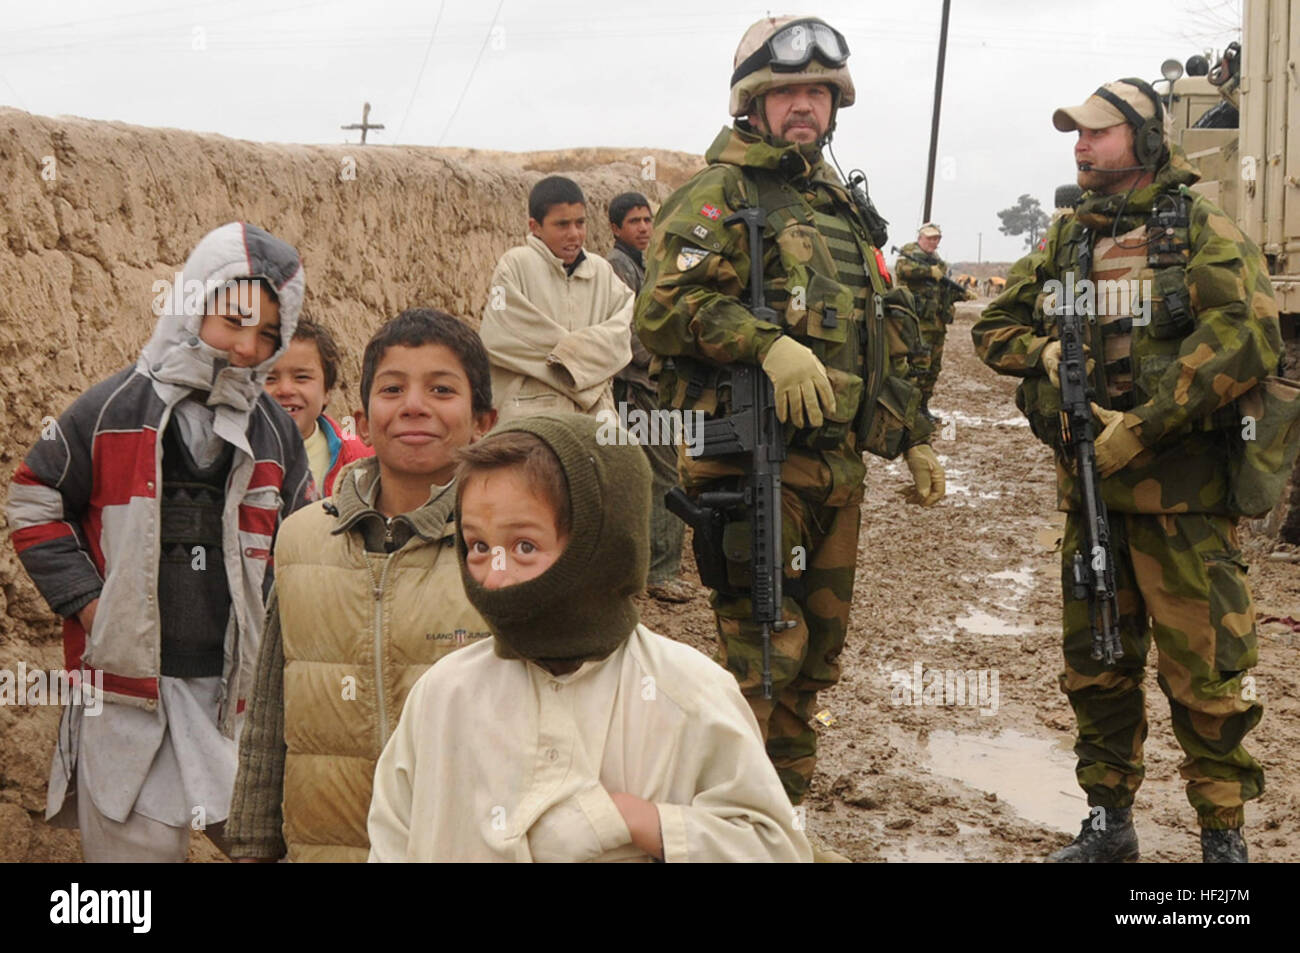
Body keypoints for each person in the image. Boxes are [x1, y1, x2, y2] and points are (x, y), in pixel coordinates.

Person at [634, 14, 943, 810]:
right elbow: (664, 308)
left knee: (814, 665)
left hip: (835, 469)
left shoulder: (837, 207)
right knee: (760, 659)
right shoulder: (722, 193)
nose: (804, 105)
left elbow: (881, 332)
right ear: (752, 104)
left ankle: (785, 821)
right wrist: (765, 343)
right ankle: (732, 828)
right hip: (755, 462)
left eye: (817, 92)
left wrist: (912, 437)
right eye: (787, 92)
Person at [972, 78, 1283, 863]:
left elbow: (1249, 336)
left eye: (1097, 133)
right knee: (1099, 671)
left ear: (1145, 142)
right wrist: (1041, 352)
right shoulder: (1067, 240)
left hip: (1185, 504)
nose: (1080, 146)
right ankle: (1110, 823)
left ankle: (1223, 839)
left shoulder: (1202, 231)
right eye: (1074, 134)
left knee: (1205, 678)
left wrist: (1143, 428)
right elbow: (995, 328)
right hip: (1091, 499)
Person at [366, 413, 812, 862]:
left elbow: (774, 847)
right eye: (479, 547)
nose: (494, 577)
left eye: (524, 546)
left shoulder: (688, 694)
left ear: (601, 547)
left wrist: (637, 821)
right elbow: (390, 842)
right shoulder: (443, 697)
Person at [6, 222, 313, 862]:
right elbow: (34, 497)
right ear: (194, 302)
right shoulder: (112, 410)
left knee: (271, 842)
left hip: (237, 694)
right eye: (233, 321)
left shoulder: (275, 433)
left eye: (267, 336)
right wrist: (93, 605)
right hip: (125, 691)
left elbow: (303, 539)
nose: (246, 348)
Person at [226, 309, 496, 862]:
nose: (414, 405)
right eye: (392, 388)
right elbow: (271, 710)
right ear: (363, 421)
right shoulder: (302, 540)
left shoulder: (501, 551)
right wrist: (253, 844)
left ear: (482, 422)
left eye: (441, 389)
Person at [479, 175, 633, 425]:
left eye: (580, 223)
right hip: (530, 415)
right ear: (535, 226)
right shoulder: (515, 265)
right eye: (562, 225)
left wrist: (569, 360)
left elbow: (620, 336)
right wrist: (577, 368)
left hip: (594, 415)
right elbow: (500, 335)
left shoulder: (601, 272)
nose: (574, 234)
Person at [607, 191, 692, 603]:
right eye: (634, 221)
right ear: (616, 228)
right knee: (665, 475)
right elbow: (631, 332)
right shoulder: (618, 268)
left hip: (650, 385)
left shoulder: (642, 263)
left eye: (647, 220)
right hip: (638, 387)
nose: (643, 227)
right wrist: (667, 355)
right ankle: (660, 571)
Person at [265, 316, 373, 496]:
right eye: (268, 378)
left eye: (302, 377)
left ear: (327, 391)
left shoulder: (361, 461)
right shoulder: (231, 456)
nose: (285, 389)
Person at [894, 223, 971, 423]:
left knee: (933, 369)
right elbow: (903, 271)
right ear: (920, 238)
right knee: (918, 367)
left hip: (936, 325)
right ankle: (908, 409)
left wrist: (962, 295)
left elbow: (943, 293)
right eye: (929, 238)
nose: (933, 242)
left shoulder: (939, 264)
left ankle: (923, 407)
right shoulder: (909, 255)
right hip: (917, 324)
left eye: (936, 239)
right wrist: (929, 272)